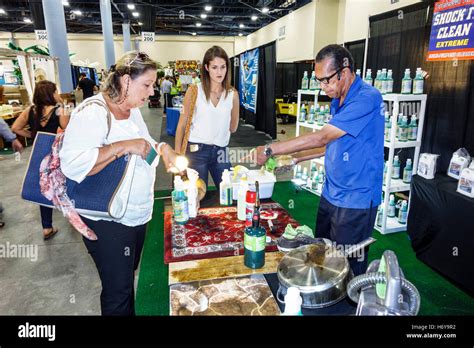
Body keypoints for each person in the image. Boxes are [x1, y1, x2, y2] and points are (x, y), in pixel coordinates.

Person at [59, 51, 179, 316]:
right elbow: (74, 164)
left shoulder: (131, 111)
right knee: (117, 291)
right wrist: (122, 146)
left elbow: (144, 144)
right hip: (107, 219)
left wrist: (163, 149)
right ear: (125, 81)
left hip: (134, 214)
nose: (151, 92)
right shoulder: (93, 112)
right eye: (146, 85)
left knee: (125, 281)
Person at [254, 44, 384, 276]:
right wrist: (295, 159)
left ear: (344, 72)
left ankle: (348, 309)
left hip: (356, 198)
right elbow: (331, 144)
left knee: (346, 265)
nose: (323, 87)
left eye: (327, 80)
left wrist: (270, 149)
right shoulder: (338, 99)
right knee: (324, 253)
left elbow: (322, 136)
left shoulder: (367, 98)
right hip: (331, 192)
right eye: (319, 81)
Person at [175, 45, 240, 189]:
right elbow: (181, 126)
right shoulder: (194, 92)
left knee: (229, 194)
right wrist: (178, 156)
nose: (219, 72)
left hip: (221, 152)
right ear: (206, 67)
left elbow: (233, 128)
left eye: (223, 67)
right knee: (196, 196)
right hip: (196, 152)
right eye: (214, 67)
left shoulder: (232, 95)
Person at [12, 80, 70, 240]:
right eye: (55, 91)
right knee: (68, 181)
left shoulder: (30, 110)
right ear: (51, 94)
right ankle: (73, 217)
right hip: (58, 152)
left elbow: (15, 128)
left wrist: (33, 136)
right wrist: (63, 103)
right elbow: (66, 128)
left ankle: (47, 227)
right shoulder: (59, 110)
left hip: (39, 153)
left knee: (45, 186)